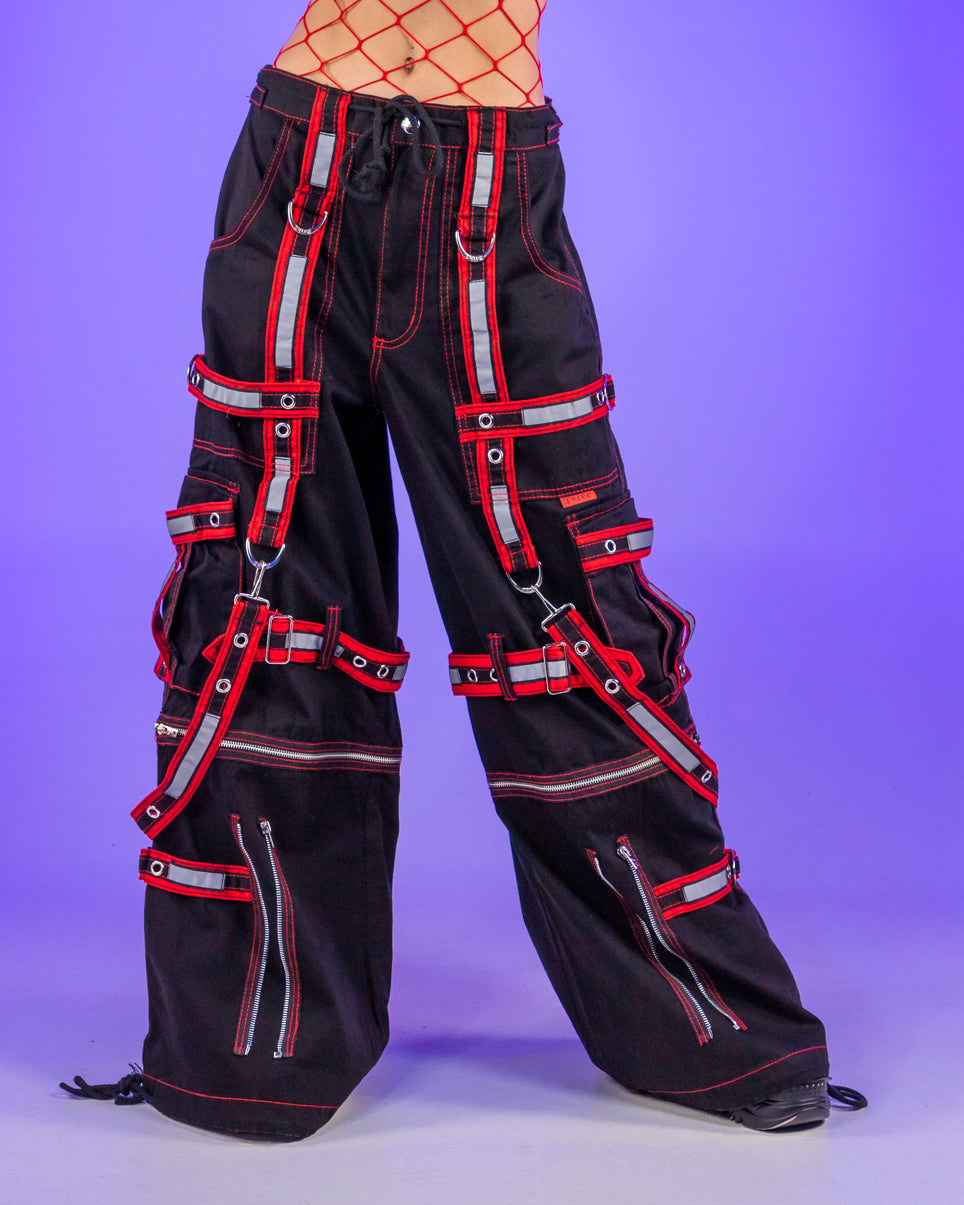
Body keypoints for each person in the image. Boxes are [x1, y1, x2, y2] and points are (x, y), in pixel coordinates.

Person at [61, 0, 865, 1140]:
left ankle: (707, 1028)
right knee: (266, 599)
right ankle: (253, 1048)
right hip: (299, 172)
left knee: (564, 614)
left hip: (490, 196)